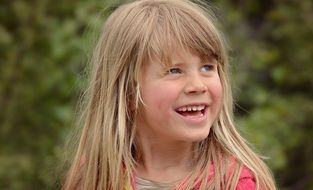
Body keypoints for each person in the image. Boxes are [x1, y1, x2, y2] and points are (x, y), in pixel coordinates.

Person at [62, 0, 276, 189]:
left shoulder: (237, 184)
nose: (198, 85)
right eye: (174, 70)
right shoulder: (95, 177)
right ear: (127, 91)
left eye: (207, 68)